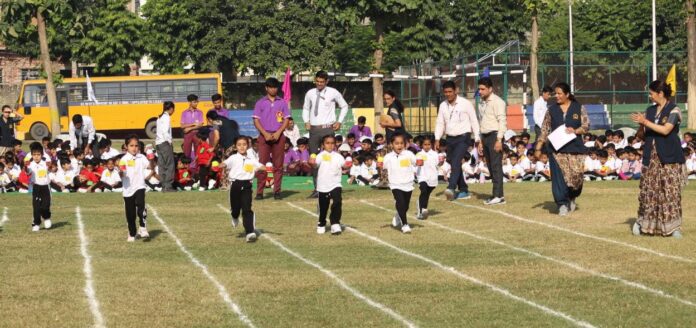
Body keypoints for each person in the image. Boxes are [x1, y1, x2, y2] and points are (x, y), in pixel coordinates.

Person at [630, 80, 686, 238]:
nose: (650, 96)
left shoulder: (674, 109)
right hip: (651, 157)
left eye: (651, 93)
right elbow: (643, 133)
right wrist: (640, 129)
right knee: (649, 192)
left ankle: (673, 227)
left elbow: (666, 130)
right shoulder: (649, 110)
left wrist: (645, 122)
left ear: (660, 93)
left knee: (670, 192)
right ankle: (642, 223)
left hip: (669, 157)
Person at [534, 82, 589, 216]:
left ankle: (572, 196)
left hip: (575, 148)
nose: (556, 96)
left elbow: (586, 126)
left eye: (559, 94)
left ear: (567, 94)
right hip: (556, 150)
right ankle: (562, 204)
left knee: (576, 178)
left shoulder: (579, 108)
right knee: (559, 179)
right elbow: (545, 129)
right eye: (555, 94)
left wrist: (575, 130)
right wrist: (538, 147)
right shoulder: (551, 110)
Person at [302, 70, 349, 198]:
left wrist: (339, 121)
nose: (319, 84)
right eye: (317, 81)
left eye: (322, 82)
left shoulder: (333, 92)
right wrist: (306, 121)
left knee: (330, 159)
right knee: (314, 159)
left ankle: (333, 187)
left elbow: (344, 106)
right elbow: (306, 108)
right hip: (314, 129)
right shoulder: (310, 93)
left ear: (326, 81)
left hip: (328, 129)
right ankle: (317, 188)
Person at [434, 81, 480, 201]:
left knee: (456, 161)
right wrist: (437, 138)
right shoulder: (443, 105)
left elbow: (474, 120)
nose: (448, 94)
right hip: (450, 138)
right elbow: (440, 122)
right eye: (445, 92)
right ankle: (464, 189)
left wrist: (477, 137)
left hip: (463, 137)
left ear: (456, 91)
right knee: (451, 161)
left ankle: (451, 187)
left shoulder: (466, 103)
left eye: (450, 91)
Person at [219, 136, 264, 242]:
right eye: (239, 145)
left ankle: (249, 232)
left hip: (247, 185)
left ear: (247, 146)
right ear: (235, 147)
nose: (242, 147)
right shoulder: (233, 158)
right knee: (235, 208)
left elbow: (260, 166)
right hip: (235, 184)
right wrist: (220, 165)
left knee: (246, 208)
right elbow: (225, 163)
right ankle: (234, 217)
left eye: (244, 144)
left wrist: (269, 168)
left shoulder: (252, 159)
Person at [253, 78, 291, 200]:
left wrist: (279, 132)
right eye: (271, 87)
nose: (273, 89)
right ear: (266, 88)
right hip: (264, 136)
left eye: (275, 87)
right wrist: (264, 133)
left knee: (278, 165)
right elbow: (256, 120)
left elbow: (286, 119)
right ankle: (259, 192)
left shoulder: (282, 102)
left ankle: (277, 191)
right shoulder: (260, 102)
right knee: (261, 164)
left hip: (279, 136)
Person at [477, 77, 507, 205]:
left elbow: (502, 121)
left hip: (495, 136)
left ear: (490, 89)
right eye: (479, 89)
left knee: (496, 166)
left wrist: (499, 139)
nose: (480, 91)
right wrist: (480, 141)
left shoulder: (498, 102)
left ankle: (498, 195)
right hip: (485, 136)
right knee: (490, 166)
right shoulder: (481, 103)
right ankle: (496, 194)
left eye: (483, 89)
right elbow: (481, 122)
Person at [309, 134, 345, 235]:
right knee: (323, 206)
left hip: (335, 184)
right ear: (323, 145)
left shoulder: (338, 156)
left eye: (332, 143)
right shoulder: (320, 155)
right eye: (327, 143)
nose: (330, 145)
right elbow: (315, 164)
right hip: (323, 185)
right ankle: (321, 223)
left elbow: (344, 165)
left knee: (337, 202)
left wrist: (350, 164)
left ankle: (335, 223)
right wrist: (311, 163)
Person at [383, 132, 417, 234]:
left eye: (401, 143)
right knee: (400, 202)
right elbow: (383, 167)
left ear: (405, 144)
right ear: (391, 144)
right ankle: (405, 224)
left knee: (405, 206)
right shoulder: (388, 157)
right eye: (396, 143)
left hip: (408, 183)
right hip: (395, 184)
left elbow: (416, 162)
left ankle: (398, 215)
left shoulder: (409, 154)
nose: (399, 145)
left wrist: (420, 163)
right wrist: (380, 165)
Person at [118, 135, 150, 242]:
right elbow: (122, 173)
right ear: (126, 146)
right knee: (130, 214)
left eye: (136, 145)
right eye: (131, 145)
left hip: (140, 186)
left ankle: (142, 227)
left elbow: (150, 166)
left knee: (141, 205)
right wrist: (121, 172)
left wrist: (152, 159)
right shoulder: (124, 160)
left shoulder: (142, 157)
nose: (134, 148)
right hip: (128, 190)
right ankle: (132, 233)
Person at [206, 111, 240, 190]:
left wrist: (213, 147)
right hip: (237, 144)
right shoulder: (226, 120)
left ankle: (226, 185)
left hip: (229, 145)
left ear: (209, 119)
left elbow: (217, 137)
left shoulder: (216, 122)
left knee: (226, 164)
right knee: (236, 164)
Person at [25, 142, 52, 231]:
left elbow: (51, 168)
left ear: (42, 154)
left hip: (45, 187)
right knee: (36, 207)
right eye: (34, 155)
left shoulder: (45, 161)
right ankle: (36, 223)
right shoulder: (30, 163)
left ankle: (47, 217)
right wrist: (26, 166)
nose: (36, 156)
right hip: (36, 187)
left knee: (45, 206)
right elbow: (27, 172)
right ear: (31, 155)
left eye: (38, 154)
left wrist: (50, 166)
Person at [416, 135, 438, 220]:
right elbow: (416, 164)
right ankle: (422, 210)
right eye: (425, 144)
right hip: (422, 176)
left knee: (426, 194)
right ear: (422, 145)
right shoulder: (419, 154)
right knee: (424, 190)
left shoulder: (435, 154)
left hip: (432, 177)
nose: (427, 146)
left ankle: (421, 205)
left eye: (429, 144)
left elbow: (438, 165)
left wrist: (441, 163)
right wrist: (417, 164)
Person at [156, 101, 176, 192]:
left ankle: (164, 185)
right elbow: (165, 131)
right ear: (171, 108)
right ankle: (168, 186)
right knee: (169, 164)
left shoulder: (159, 118)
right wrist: (170, 141)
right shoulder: (166, 117)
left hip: (158, 143)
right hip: (165, 142)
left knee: (162, 165)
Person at [181, 94, 204, 164]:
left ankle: (197, 169)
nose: (196, 103)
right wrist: (193, 124)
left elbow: (200, 125)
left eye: (197, 102)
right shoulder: (184, 113)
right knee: (186, 153)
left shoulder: (200, 112)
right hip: (187, 135)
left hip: (197, 134)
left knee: (198, 152)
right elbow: (182, 126)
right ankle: (186, 170)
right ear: (190, 102)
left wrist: (189, 128)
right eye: (194, 102)